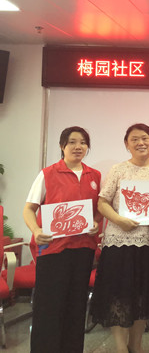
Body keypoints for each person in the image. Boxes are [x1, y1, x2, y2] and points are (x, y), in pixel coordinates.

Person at [90, 123, 149, 353]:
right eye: (134, 139)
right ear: (127, 144)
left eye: (145, 138)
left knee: (142, 297)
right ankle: (120, 348)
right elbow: (102, 203)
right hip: (119, 244)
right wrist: (119, 220)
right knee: (118, 296)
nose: (140, 143)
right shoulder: (118, 170)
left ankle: (136, 345)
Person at [23, 126, 102, 353]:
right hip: (53, 250)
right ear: (62, 146)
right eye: (72, 142)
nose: (78, 147)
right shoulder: (47, 174)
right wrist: (36, 230)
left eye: (83, 142)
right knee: (49, 308)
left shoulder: (94, 176)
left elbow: (98, 211)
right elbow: (29, 209)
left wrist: (96, 223)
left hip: (83, 250)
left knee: (76, 307)